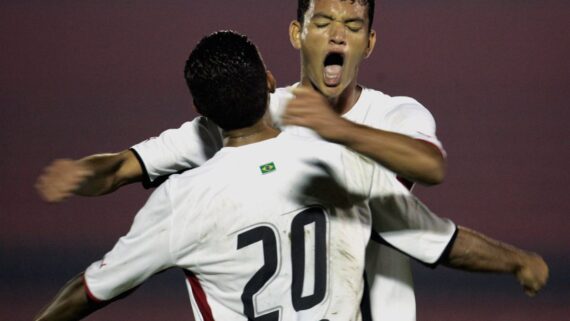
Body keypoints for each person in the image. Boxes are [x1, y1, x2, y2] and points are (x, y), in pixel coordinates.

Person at [35, 1, 549, 320]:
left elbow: (429, 169)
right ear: (294, 37)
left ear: (369, 41)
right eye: (323, 21)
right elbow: (128, 164)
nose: (338, 35)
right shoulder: (332, 162)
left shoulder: (393, 116)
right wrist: (86, 173)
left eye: (353, 23)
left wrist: (336, 129)